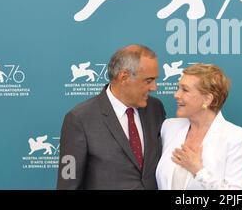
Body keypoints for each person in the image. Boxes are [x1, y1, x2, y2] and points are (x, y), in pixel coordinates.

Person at [57, 44, 166, 189]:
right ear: (124, 77)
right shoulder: (79, 119)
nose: (154, 87)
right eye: (148, 80)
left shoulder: (155, 109)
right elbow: (68, 184)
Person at [156, 63, 242, 190]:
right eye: (178, 88)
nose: (176, 95)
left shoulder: (236, 137)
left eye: (185, 90)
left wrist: (198, 170)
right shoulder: (169, 127)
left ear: (207, 99)